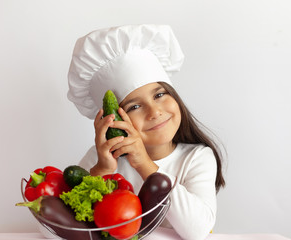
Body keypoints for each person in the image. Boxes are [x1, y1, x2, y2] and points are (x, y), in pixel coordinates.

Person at [67, 24, 225, 240]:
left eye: (159, 95)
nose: (155, 111)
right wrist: (102, 170)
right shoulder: (99, 159)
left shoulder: (197, 157)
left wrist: (145, 165)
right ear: (113, 121)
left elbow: (197, 231)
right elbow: (54, 229)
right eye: (134, 106)